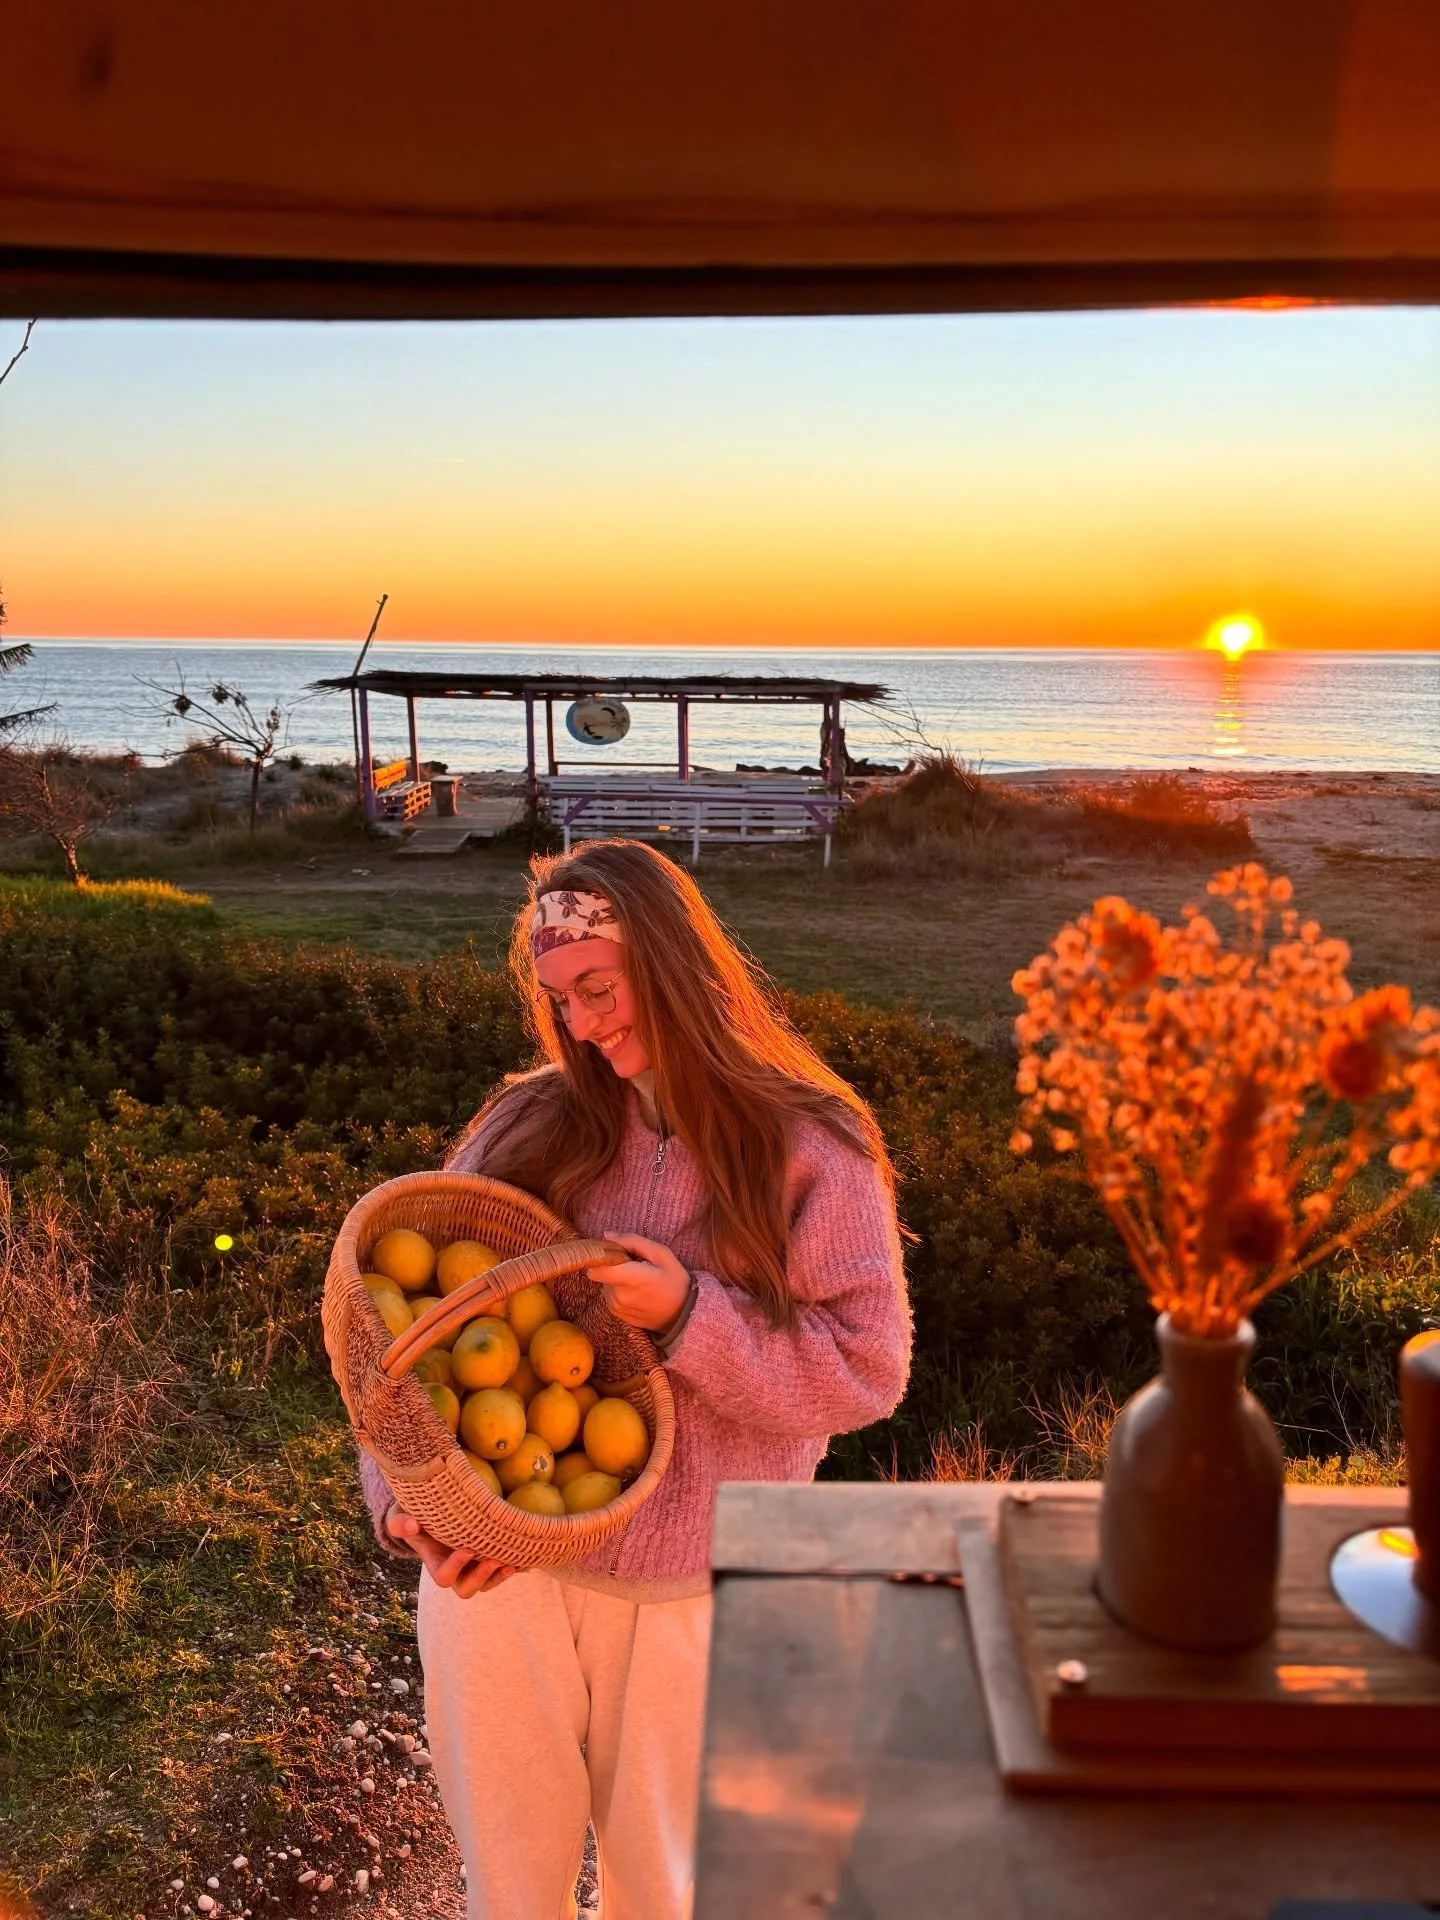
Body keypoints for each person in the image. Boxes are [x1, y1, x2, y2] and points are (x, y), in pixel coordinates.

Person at [359, 840, 911, 1920]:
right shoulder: (528, 1122)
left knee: (665, 1896)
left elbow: (865, 1369)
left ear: (668, 963)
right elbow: (404, 1339)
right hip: (500, 1570)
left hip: (689, 1592)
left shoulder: (808, 1148)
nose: (582, 1023)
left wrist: (692, 1321)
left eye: (599, 990)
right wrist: (405, 1506)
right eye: (559, 1000)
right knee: (508, 1892)